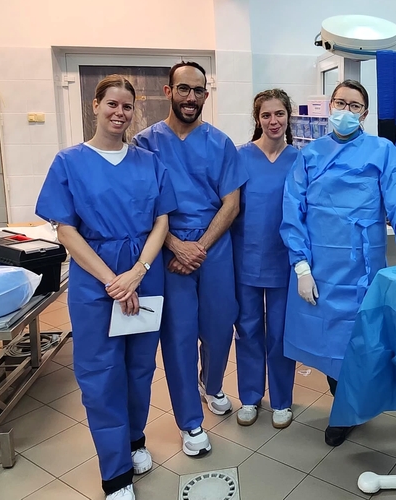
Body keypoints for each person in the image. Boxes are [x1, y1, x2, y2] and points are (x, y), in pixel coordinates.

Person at [36, 75, 176, 500]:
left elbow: (161, 221)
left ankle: (134, 440)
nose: (120, 113)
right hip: (95, 280)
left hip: (144, 273)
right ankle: (115, 474)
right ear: (94, 105)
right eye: (111, 104)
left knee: (139, 368)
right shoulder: (69, 162)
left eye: (127, 107)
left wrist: (138, 271)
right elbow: (66, 230)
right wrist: (112, 280)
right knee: (101, 374)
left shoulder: (149, 162)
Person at [280, 80, 396, 447]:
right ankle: (345, 411)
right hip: (320, 270)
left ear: (364, 113)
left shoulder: (382, 152)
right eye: (340, 102)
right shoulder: (310, 155)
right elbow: (293, 212)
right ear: (329, 106)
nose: (346, 110)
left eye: (354, 105)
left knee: (379, 342)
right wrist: (301, 267)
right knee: (332, 347)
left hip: (364, 271)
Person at [133, 61, 248, 457]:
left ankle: (211, 384)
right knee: (178, 337)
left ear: (205, 95)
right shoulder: (145, 143)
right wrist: (174, 245)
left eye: (198, 91)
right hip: (168, 247)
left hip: (213, 248)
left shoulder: (220, 143)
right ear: (168, 91)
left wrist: (198, 246)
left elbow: (232, 203)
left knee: (220, 327)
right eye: (183, 89)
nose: (191, 98)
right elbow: (141, 205)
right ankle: (190, 422)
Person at [232, 89, 299, 429]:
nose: (273, 121)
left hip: (285, 260)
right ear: (257, 119)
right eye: (266, 115)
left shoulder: (299, 159)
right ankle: (249, 397)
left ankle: (283, 400)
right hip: (245, 257)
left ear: (289, 117)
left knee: (280, 332)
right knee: (247, 329)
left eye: (279, 114)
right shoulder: (240, 157)